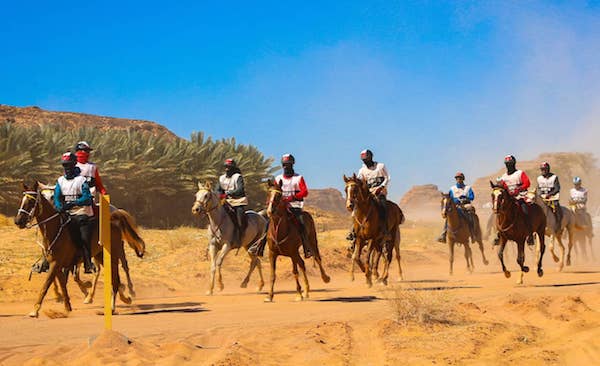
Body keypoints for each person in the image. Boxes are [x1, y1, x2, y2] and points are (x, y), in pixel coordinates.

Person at [54, 152, 96, 273]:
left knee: (84, 237)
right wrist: (58, 206)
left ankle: (88, 263)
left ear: (74, 165)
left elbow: (87, 198)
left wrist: (73, 203)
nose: (67, 168)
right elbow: (56, 196)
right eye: (65, 166)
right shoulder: (60, 181)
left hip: (82, 213)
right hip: (67, 214)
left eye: (69, 165)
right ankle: (47, 260)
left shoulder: (82, 180)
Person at [275, 154, 311, 258]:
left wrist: (292, 197)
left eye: (288, 164)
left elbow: (305, 192)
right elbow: (274, 191)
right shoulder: (278, 178)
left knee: (302, 223)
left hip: (295, 205)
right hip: (281, 207)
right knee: (268, 222)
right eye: (284, 165)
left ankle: (306, 248)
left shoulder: (298, 178)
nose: (286, 167)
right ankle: (260, 246)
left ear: (293, 165)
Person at [497, 155, 534, 245]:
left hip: (520, 196)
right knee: (499, 212)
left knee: (525, 211)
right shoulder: (504, 176)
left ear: (514, 164)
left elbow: (527, 183)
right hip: (509, 198)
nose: (509, 166)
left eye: (510, 164)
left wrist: (519, 189)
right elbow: (503, 187)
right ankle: (499, 234)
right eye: (507, 164)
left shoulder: (520, 173)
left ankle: (530, 235)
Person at [357, 149, 390, 238]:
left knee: (382, 207)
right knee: (357, 210)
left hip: (380, 193)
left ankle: (384, 229)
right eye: (363, 160)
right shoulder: (362, 171)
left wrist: (381, 187)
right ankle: (353, 231)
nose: (365, 162)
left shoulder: (381, 166)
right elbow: (359, 182)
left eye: (366, 159)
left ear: (371, 157)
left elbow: (387, 177)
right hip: (369, 195)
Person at [437, 172, 476, 243]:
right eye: (457, 178)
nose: (458, 179)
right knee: (449, 216)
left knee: (470, 213)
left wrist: (466, 198)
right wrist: (457, 200)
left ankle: (472, 233)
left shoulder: (468, 188)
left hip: (466, 204)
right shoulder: (452, 189)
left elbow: (472, 197)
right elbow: (450, 198)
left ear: (463, 179)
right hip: (456, 205)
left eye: (460, 178)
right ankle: (444, 234)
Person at [217, 158, 248, 246]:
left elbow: (240, 190)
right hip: (226, 201)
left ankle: (240, 237)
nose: (227, 169)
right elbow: (218, 190)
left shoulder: (238, 177)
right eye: (226, 167)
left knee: (240, 219)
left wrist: (228, 193)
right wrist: (219, 194)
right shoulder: (221, 178)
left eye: (229, 167)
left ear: (233, 168)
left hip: (238, 201)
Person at [536, 162, 562, 231]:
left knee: (556, 208)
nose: (543, 171)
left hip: (553, 197)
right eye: (542, 169)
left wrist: (550, 194)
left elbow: (557, 188)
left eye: (545, 169)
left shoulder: (554, 177)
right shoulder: (539, 178)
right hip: (543, 197)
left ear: (548, 169)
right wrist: (540, 194)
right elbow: (538, 189)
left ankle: (558, 224)